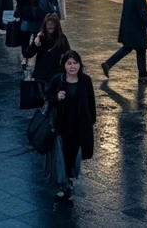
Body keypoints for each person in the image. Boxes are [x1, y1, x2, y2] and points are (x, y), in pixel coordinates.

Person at [46, 50, 97, 203]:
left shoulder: (85, 80)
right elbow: (47, 96)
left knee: (74, 153)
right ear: (64, 65)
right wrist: (56, 97)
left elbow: (91, 101)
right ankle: (65, 183)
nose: (72, 66)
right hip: (62, 125)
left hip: (79, 125)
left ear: (80, 64)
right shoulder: (57, 80)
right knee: (63, 154)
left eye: (75, 63)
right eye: (69, 63)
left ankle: (69, 178)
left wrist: (91, 120)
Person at [102, 0, 147, 83]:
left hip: (128, 26)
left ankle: (143, 75)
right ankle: (108, 63)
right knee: (129, 48)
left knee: (140, 50)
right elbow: (143, 13)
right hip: (136, 29)